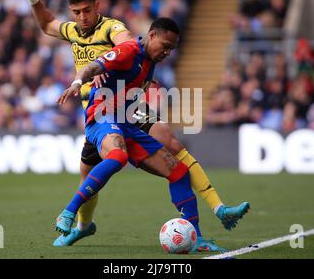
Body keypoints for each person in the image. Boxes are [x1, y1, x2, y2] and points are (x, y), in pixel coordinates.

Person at [16, 0, 249, 252]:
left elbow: (126, 41)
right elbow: (47, 24)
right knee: (90, 172)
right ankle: (81, 224)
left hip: (127, 107)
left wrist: (106, 66)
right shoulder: (74, 31)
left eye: (87, 10)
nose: (82, 17)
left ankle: (212, 216)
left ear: (97, 6)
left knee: (172, 153)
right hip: (99, 110)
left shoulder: (113, 30)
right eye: (77, 12)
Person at [55, 18, 249, 250]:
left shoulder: (150, 61)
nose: (167, 52)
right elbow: (94, 67)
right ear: (152, 35)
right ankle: (68, 211)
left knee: (178, 171)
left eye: (171, 49)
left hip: (127, 122)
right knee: (118, 157)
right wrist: (78, 82)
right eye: (165, 45)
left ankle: (196, 238)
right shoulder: (128, 51)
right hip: (102, 116)